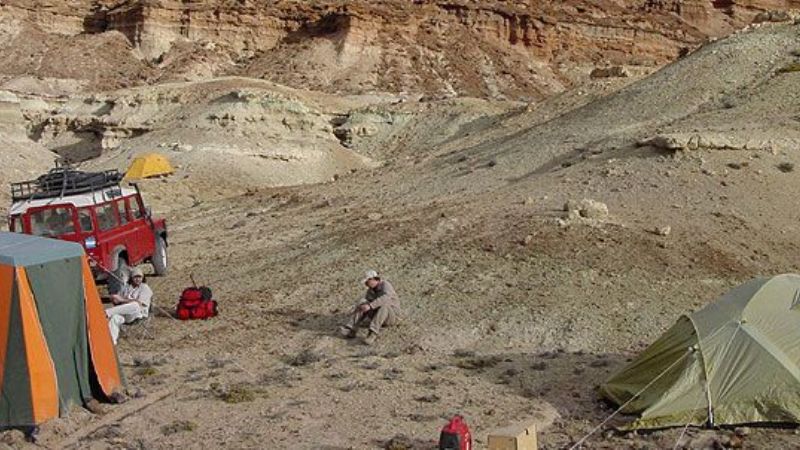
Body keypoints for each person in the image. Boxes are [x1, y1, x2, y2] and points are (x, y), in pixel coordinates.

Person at [340, 270, 400, 345]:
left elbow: (386, 298)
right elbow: (366, 303)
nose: (366, 284)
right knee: (363, 303)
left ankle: (372, 334)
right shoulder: (370, 291)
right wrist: (362, 307)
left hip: (391, 316)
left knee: (384, 305)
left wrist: (371, 306)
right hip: (378, 315)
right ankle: (352, 328)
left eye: (367, 282)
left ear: (373, 279)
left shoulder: (386, 285)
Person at [105, 267, 153, 345]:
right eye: (135, 277)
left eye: (140, 277)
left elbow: (140, 303)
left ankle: (106, 313)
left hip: (138, 314)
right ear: (131, 277)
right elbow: (118, 301)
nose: (138, 279)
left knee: (135, 305)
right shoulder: (126, 287)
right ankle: (112, 342)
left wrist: (122, 300)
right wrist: (114, 299)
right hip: (125, 314)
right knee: (115, 318)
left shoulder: (145, 288)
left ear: (143, 277)